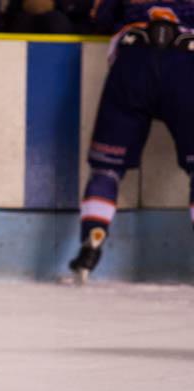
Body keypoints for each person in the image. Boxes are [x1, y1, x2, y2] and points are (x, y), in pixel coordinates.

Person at [69, 1, 194, 281]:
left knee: (106, 170)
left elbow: (98, 18)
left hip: (134, 58)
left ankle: (91, 242)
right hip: (186, 62)